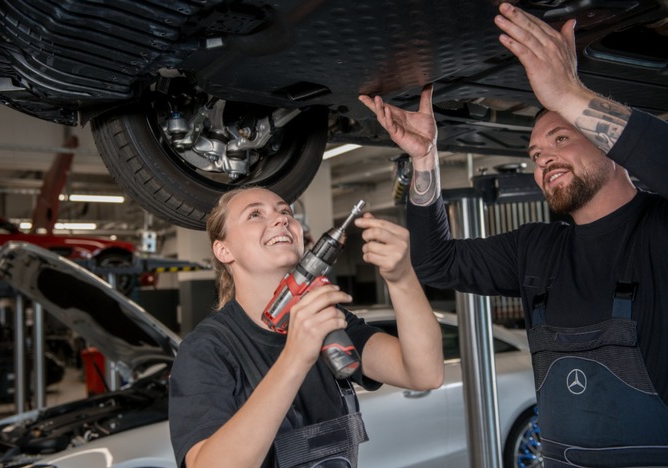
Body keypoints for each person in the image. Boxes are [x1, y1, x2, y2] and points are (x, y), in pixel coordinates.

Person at [360, 2, 668, 467]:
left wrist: (568, 93)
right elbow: (436, 263)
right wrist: (426, 161)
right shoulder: (536, 249)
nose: (543, 159)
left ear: (611, 146)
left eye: (561, 138)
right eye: (536, 153)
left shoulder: (658, 230)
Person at [168, 186, 444, 468]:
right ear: (223, 250)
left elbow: (424, 373)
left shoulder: (327, 320)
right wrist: (296, 357)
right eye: (254, 214)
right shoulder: (207, 349)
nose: (281, 219)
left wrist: (403, 278)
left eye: (285, 211)